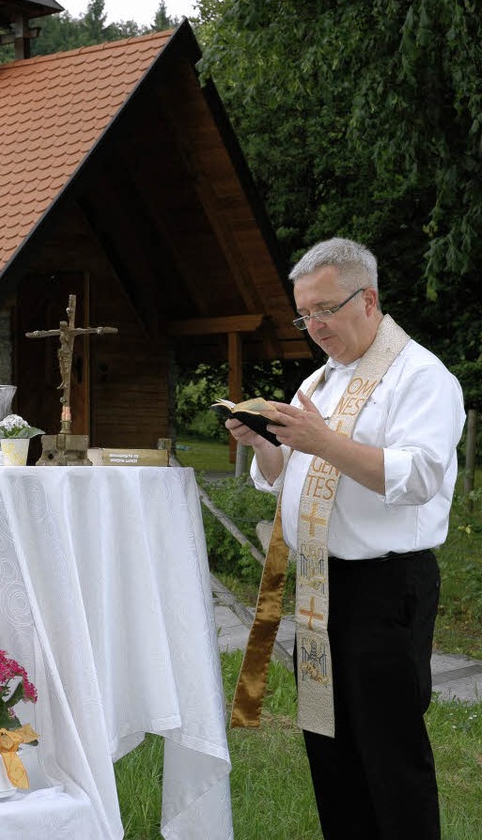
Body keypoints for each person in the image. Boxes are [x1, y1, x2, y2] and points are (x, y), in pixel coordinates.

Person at [227, 237, 465, 840]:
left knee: (391, 756)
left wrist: (324, 441)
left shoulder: (421, 376)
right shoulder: (323, 381)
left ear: (369, 299)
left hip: (383, 587)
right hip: (319, 587)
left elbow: (419, 477)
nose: (314, 327)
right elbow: (297, 480)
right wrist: (265, 445)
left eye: (325, 310)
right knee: (330, 748)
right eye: (304, 314)